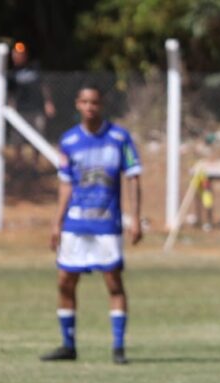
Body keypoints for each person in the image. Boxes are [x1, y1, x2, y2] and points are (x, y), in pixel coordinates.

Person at [40, 85, 143, 364]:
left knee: (113, 281)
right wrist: (56, 224)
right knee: (65, 281)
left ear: (101, 105)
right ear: (77, 104)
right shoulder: (69, 140)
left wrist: (135, 218)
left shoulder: (119, 138)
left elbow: (133, 177)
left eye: (94, 102)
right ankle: (68, 344)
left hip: (106, 223)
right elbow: (65, 187)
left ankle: (118, 347)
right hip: (75, 223)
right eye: (84, 102)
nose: (89, 107)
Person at [8, 42, 56, 161]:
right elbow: (10, 93)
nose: (17, 57)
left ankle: (35, 162)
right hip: (20, 109)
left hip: (37, 108)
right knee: (17, 138)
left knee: (38, 135)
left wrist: (48, 103)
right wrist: (11, 107)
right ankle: (18, 163)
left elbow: (44, 86)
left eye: (20, 54)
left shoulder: (35, 68)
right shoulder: (11, 73)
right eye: (15, 54)